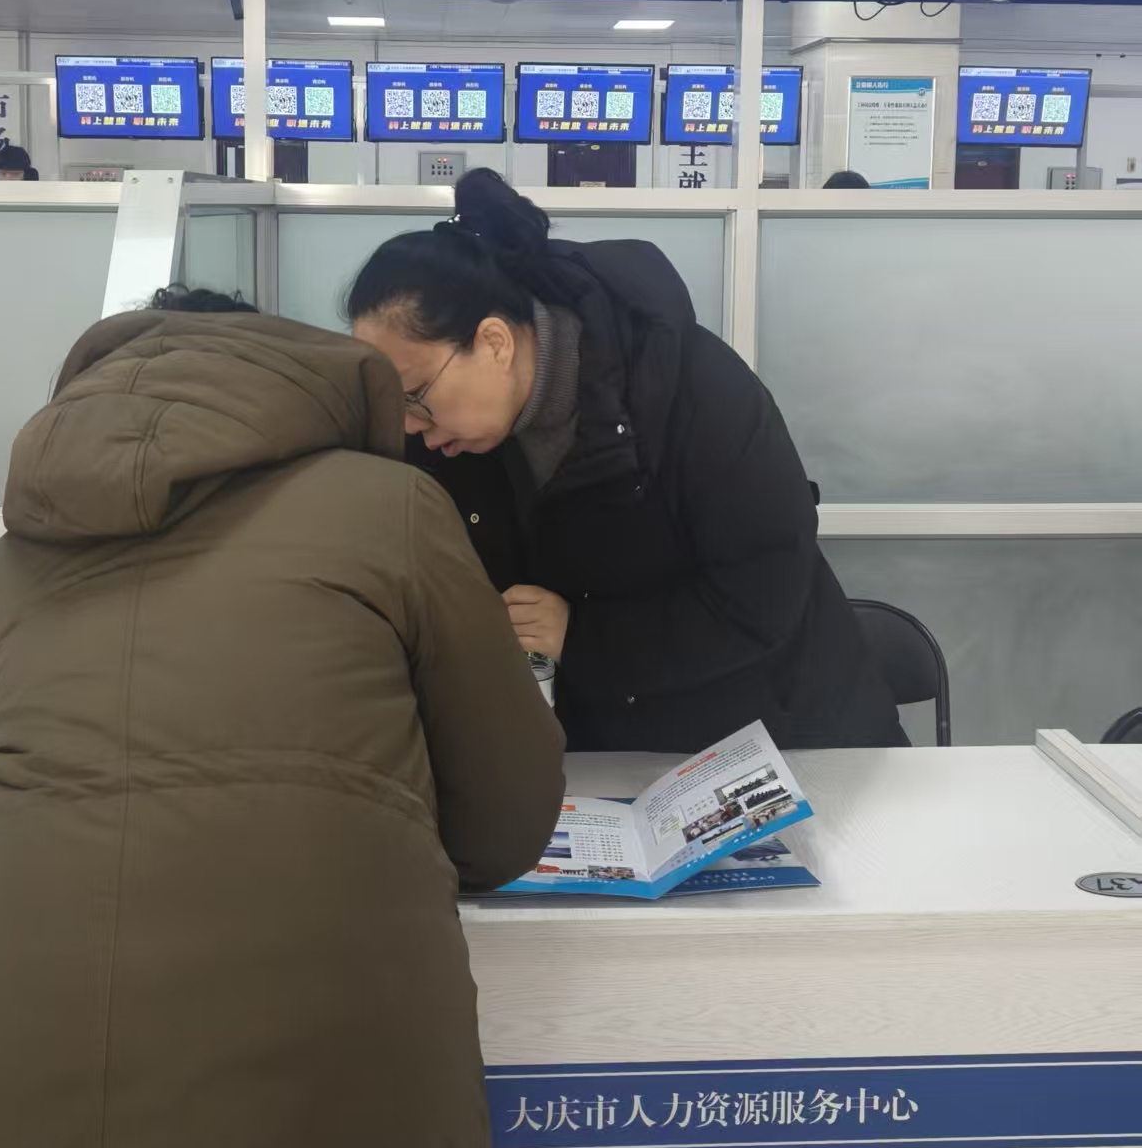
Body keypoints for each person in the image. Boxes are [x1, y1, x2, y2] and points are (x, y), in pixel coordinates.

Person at [0, 289, 565, 1148]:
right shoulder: (393, 510)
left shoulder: (2, 572)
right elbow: (505, 821)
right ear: (289, 374)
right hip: (333, 1082)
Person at [349, 170, 904, 755]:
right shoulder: (451, 439)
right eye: (392, 403)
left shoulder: (693, 390)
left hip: (784, 739)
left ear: (494, 343)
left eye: (415, 396)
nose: (408, 425)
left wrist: (581, 637)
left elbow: (761, 595)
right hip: (613, 751)